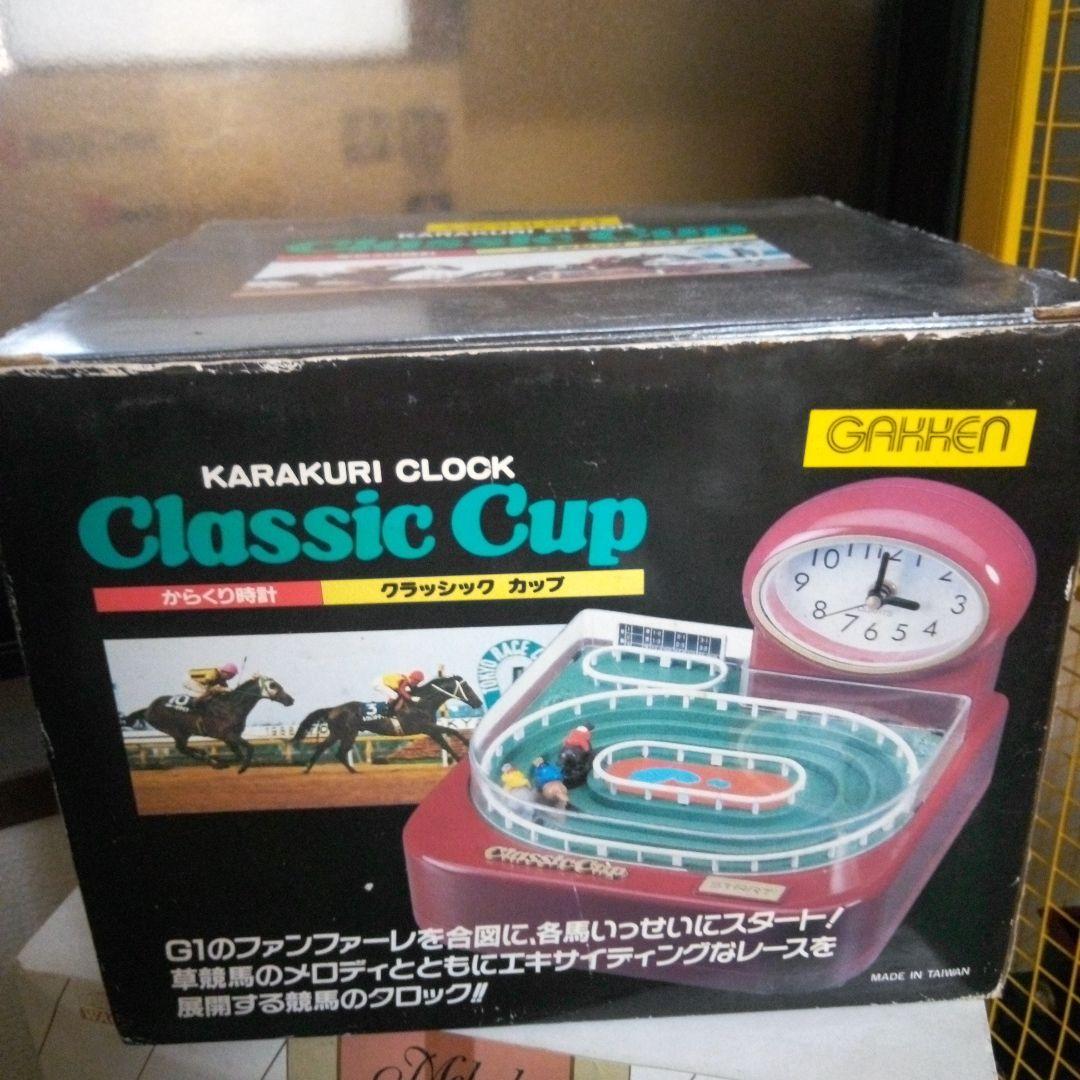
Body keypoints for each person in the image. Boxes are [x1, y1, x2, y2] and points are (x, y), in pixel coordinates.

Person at [558, 723, 594, 788]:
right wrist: (587, 751)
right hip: (576, 755)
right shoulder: (584, 737)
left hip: (565, 751)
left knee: (567, 766)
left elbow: (565, 741)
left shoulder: (572, 734)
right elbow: (586, 748)